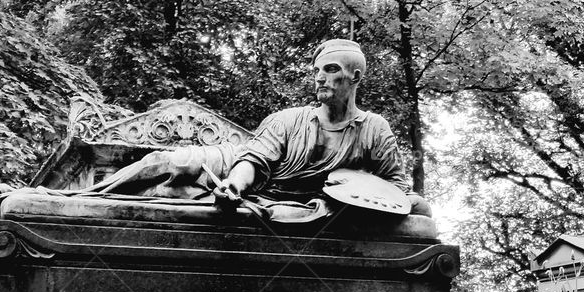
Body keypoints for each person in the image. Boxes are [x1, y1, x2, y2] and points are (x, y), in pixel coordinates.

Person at [91, 38, 429, 215]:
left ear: (354, 77)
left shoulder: (373, 129)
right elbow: (252, 161)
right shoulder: (290, 120)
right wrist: (234, 186)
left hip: (280, 196)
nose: (319, 77)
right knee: (169, 163)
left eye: (329, 69)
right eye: (316, 71)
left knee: (167, 195)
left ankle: (95, 211)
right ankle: (83, 197)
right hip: (238, 166)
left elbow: (395, 189)